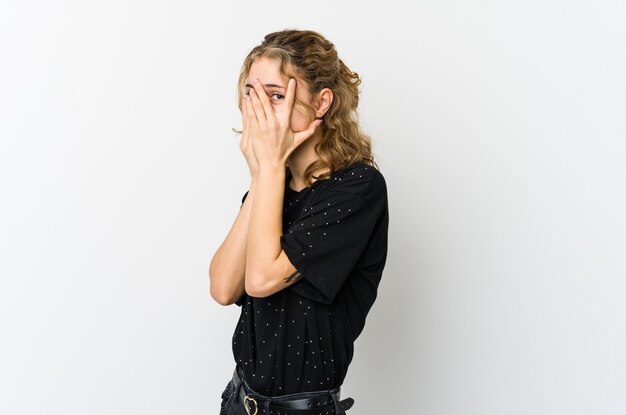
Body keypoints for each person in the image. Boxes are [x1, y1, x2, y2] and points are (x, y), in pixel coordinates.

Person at [209, 29, 389, 415]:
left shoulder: (357, 190)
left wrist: (269, 166)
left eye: (275, 95)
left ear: (322, 102)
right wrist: (263, 177)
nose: (259, 110)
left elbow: (260, 280)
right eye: (252, 94)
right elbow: (223, 287)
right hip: (239, 401)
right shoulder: (274, 186)